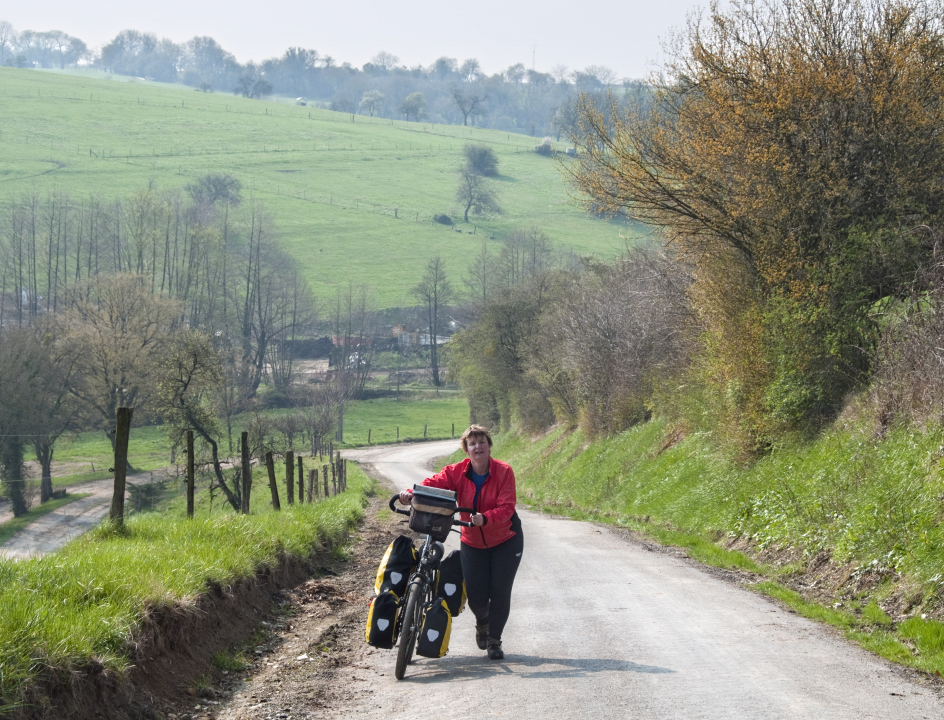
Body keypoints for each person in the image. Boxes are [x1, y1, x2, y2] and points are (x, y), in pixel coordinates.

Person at [398, 424, 523, 660]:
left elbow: (507, 507)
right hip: (472, 541)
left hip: (506, 540)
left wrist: (485, 518)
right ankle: (483, 623)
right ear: (466, 449)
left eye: (482, 442)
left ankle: (494, 641)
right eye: (473, 443)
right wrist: (409, 493)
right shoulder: (456, 472)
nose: (478, 447)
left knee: (500, 591)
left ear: (489, 445)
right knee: (476, 594)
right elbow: (431, 484)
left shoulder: (504, 471)